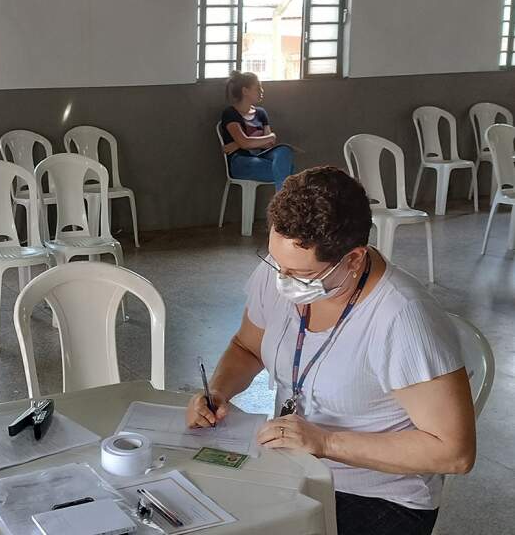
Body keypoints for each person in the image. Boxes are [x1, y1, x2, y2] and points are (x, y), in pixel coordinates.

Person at [186, 166, 476, 535]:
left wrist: (325, 442)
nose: (281, 280)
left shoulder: (402, 319)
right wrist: (218, 391)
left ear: (353, 260)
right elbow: (246, 346)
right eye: (276, 263)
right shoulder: (282, 270)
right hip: (293, 467)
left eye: (300, 274)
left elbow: (454, 452)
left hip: (378, 497)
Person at [219, 71, 295, 190]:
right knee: (288, 170)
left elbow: (269, 145)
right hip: (240, 162)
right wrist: (270, 136)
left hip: (261, 156)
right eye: (258, 88)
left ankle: (281, 204)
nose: (262, 91)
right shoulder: (230, 113)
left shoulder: (261, 113)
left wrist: (238, 144)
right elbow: (246, 142)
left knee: (284, 150)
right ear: (245, 91)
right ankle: (283, 204)